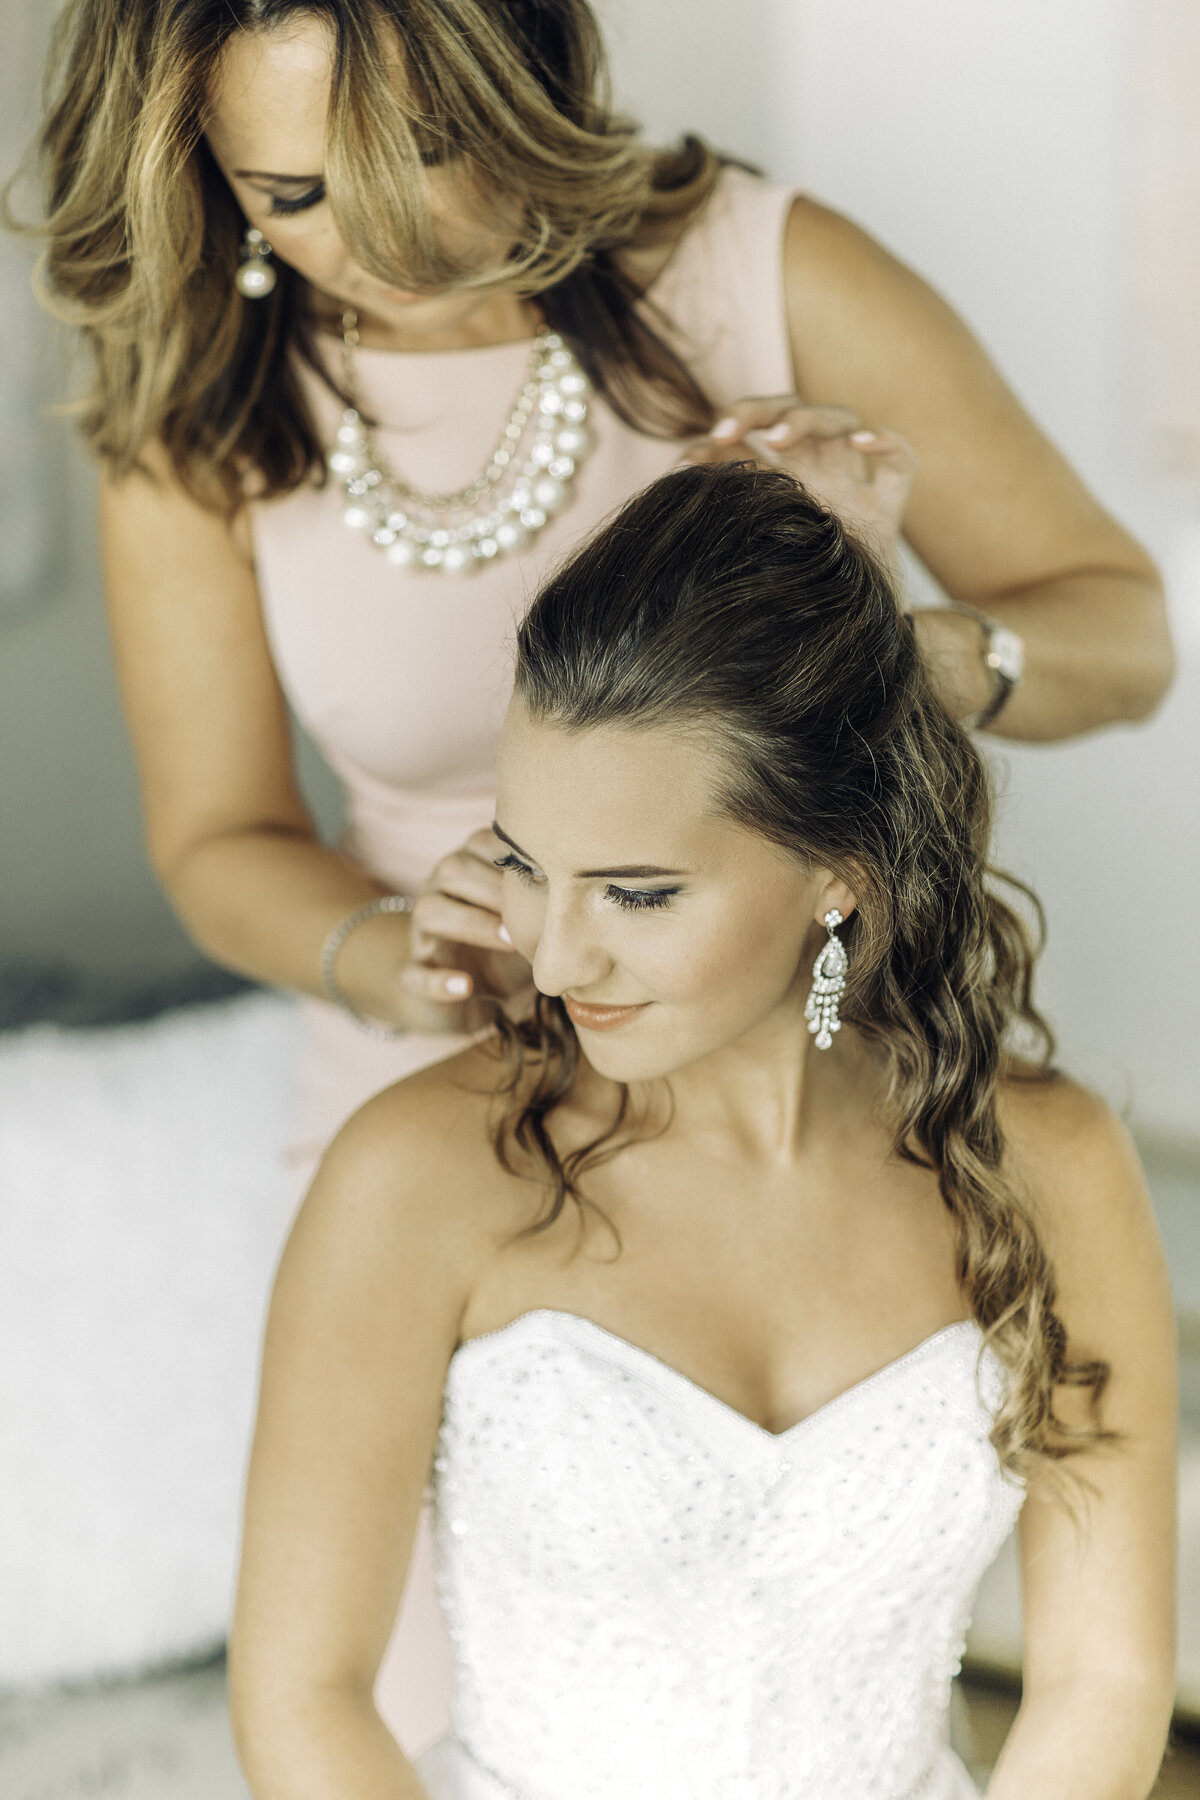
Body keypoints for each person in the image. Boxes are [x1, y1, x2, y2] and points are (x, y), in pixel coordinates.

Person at [21, 0, 1173, 1750]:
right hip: (432, 1072)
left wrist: (882, 642)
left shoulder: (750, 271)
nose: (386, 246)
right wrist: (388, 955)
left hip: (790, 1013)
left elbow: (1126, 636)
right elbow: (216, 837)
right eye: (295, 192)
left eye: (424, 152)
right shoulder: (206, 414)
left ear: (529, 81)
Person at [229, 462, 1176, 1800]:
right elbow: (301, 1696)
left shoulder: (1051, 1168)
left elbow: (1105, 1683)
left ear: (836, 874)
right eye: (521, 864)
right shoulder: (417, 1177)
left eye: (636, 893)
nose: (556, 959)